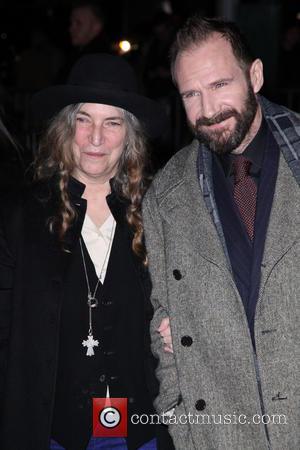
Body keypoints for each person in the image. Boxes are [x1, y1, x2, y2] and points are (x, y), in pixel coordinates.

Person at [142, 15, 300, 450]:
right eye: (191, 94)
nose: (208, 110)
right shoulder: (165, 194)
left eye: (219, 85)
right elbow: (163, 319)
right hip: (222, 433)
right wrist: (181, 422)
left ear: (256, 75)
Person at [0, 53, 171, 450]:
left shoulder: (162, 214)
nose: (96, 138)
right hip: (54, 432)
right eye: (84, 120)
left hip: (142, 430)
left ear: (130, 135)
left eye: (112, 123)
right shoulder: (18, 219)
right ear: (66, 127)